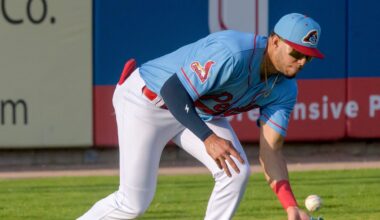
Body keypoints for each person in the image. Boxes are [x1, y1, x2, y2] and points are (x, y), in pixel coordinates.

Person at [77, 13, 324, 220]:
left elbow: (271, 150)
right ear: (275, 42)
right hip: (146, 103)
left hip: (196, 111)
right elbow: (172, 91)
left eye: (308, 57)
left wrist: (290, 205)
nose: (302, 62)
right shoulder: (233, 53)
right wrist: (208, 138)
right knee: (132, 202)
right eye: (296, 53)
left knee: (235, 172)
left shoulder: (285, 89)